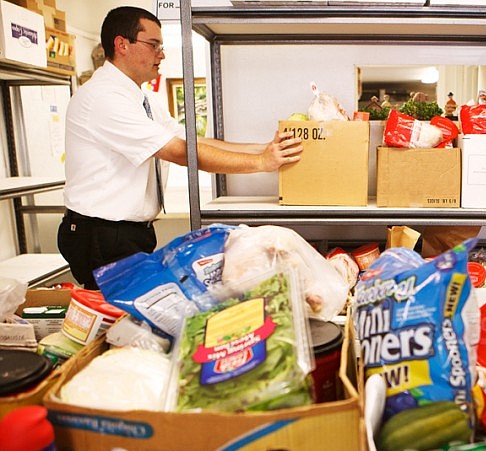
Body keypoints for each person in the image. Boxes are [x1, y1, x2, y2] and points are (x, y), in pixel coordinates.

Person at [58, 6, 303, 290]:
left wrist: (263, 148)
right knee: (119, 322)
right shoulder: (104, 97)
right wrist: (261, 163)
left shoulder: (138, 97)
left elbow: (189, 140)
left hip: (124, 232)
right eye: (154, 45)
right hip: (101, 234)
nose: (161, 54)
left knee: (133, 317)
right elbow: (178, 151)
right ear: (121, 44)